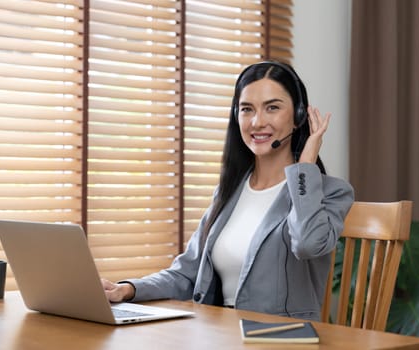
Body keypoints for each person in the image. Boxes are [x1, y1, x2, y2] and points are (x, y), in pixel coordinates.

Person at [102, 60, 354, 321]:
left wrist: (306, 166)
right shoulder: (231, 192)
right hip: (219, 333)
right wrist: (128, 290)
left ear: (299, 116)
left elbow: (308, 244)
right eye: (247, 109)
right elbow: (187, 272)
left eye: (272, 108)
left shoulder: (329, 192)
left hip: (280, 338)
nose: (257, 121)